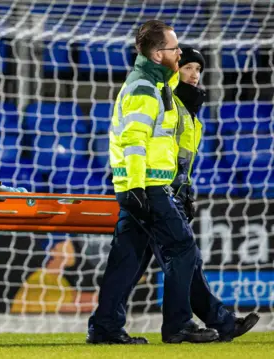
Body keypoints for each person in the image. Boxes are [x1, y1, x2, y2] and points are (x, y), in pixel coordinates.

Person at [86, 20, 219, 344]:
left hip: (147, 184)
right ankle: (178, 326)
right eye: (174, 48)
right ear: (160, 54)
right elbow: (134, 139)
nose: (179, 52)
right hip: (148, 186)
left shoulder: (155, 84)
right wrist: (133, 187)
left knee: (128, 256)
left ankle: (105, 327)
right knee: (182, 248)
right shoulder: (145, 87)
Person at [122, 47, 259, 342]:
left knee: (171, 260)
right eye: (188, 68)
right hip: (156, 191)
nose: (195, 74)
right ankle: (179, 326)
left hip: (170, 192)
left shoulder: (190, 109)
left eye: (198, 69)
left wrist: (188, 192)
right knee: (180, 256)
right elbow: (155, 150)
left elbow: (183, 159)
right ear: (175, 70)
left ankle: (219, 323)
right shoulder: (168, 104)